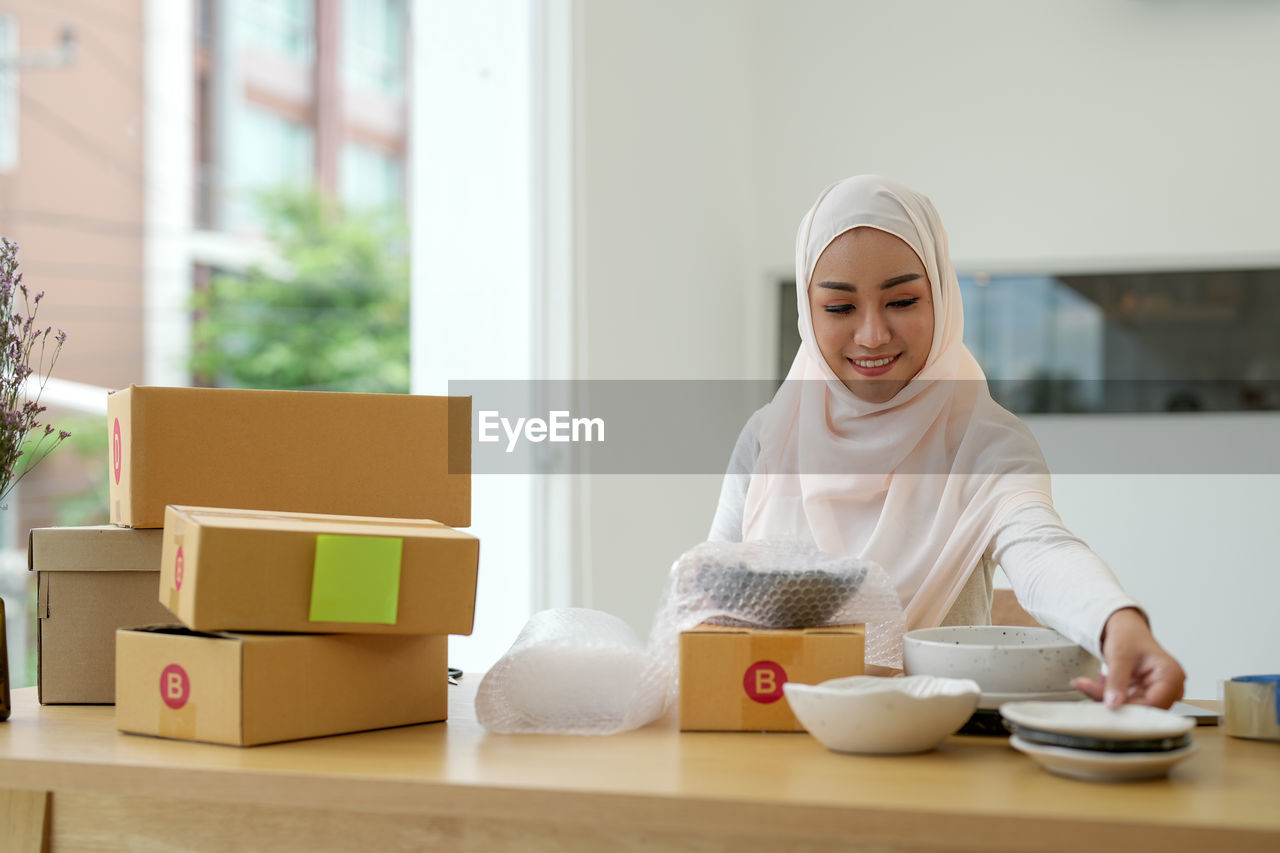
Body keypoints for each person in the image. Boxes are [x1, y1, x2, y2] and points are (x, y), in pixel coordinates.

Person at [708, 175, 1185, 709]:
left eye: (903, 300)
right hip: (774, 738)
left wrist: (1116, 623)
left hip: (937, 746)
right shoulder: (768, 438)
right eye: (839, 309)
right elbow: (712, 594)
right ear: (807, 311)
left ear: (942, 297)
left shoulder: (983, 444)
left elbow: (1041, 550)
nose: (871, 335)